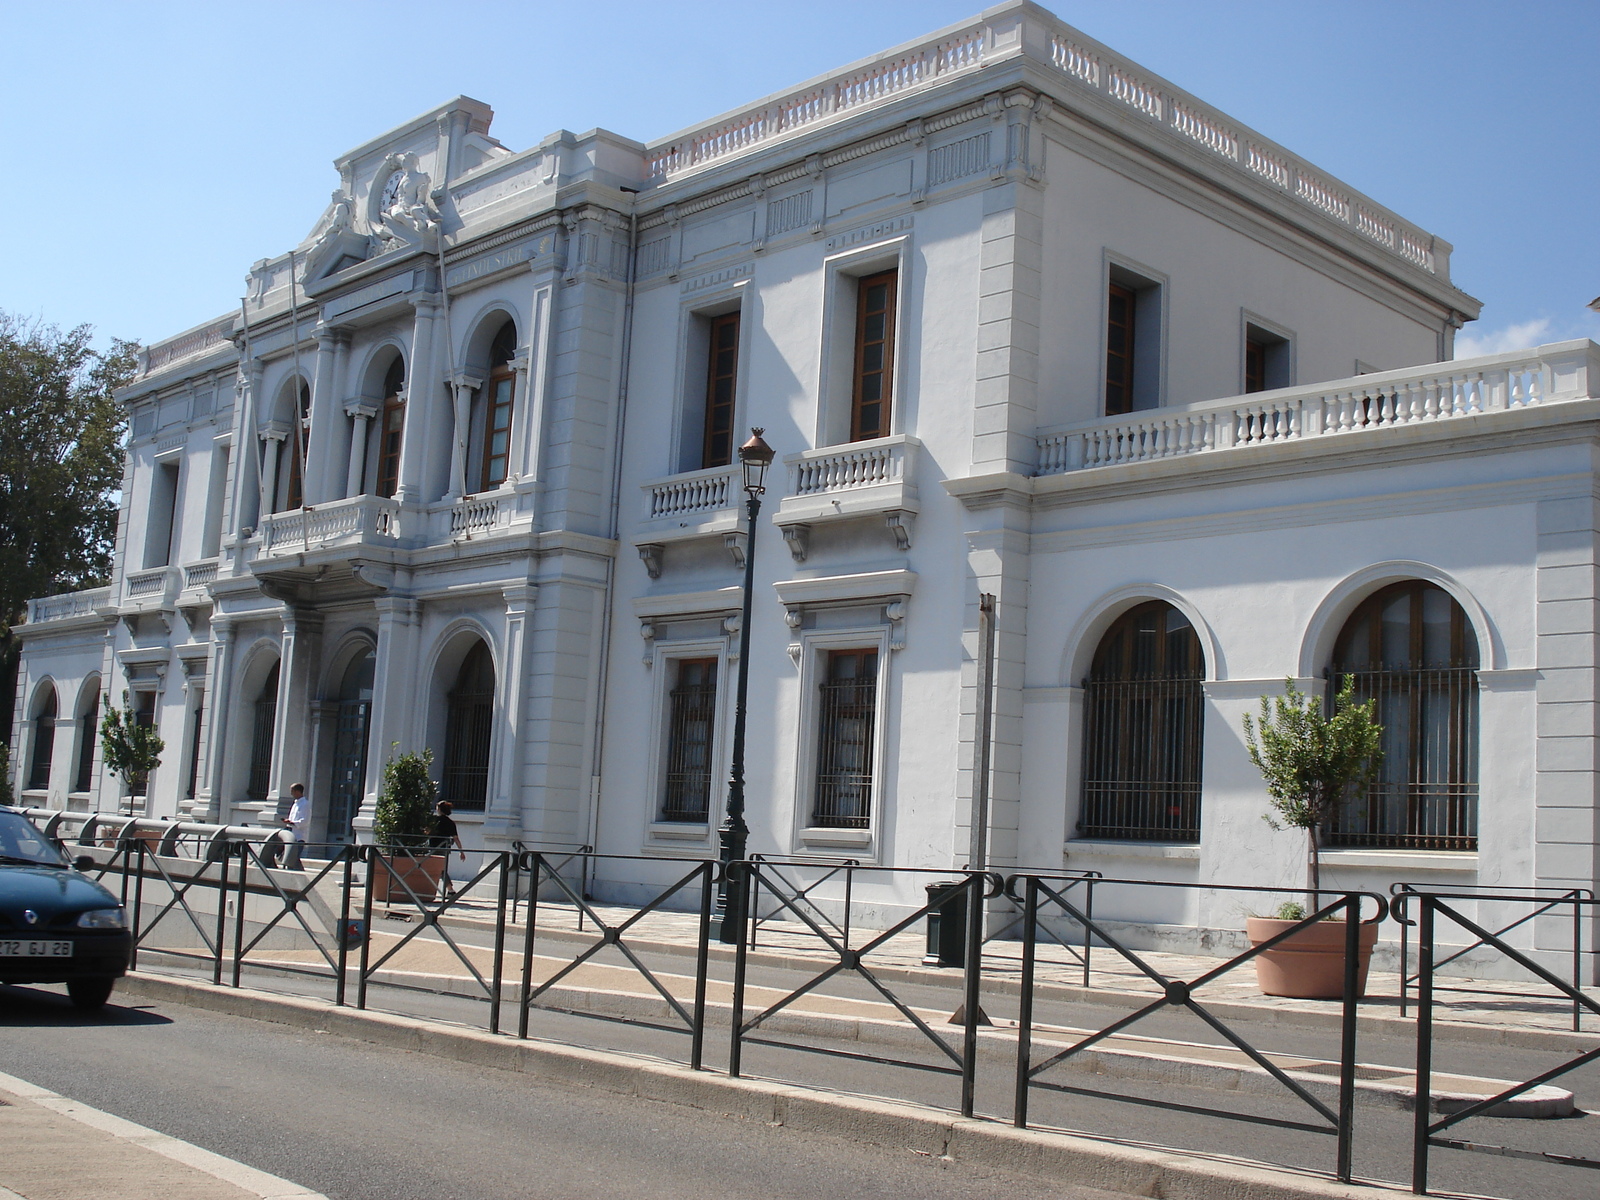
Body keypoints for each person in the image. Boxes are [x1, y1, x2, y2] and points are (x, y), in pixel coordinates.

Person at [430, 800, 466, 900]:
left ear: (440, 809)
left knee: (437, 869)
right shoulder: (450, 823)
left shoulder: (435, 821)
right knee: (441, 869)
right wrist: (461, 851)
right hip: (445, 848)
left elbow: (428, 832)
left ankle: (450, 889)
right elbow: (456, 838)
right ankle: (449, 889)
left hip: (434, 847)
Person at [282, 783, 310, 870]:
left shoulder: (305, 804)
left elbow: (304, 821)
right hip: (291, 835)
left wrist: (292, 822)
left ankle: (299, 873)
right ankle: (299, 872)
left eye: (292, 791)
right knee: (291, 858)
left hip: (299, 837)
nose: (291, 794)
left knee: (293, 857)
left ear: (298, 791)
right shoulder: (295, 804)